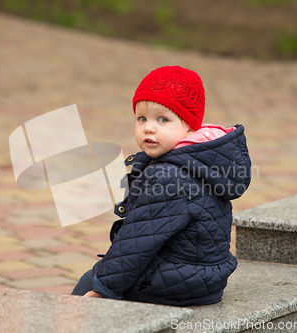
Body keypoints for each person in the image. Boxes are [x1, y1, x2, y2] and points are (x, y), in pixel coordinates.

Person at [71, 66, 252, 306]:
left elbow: (137, 241)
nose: (148, 127)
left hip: (176, 284)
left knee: (89, 282)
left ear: (188, 125)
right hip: (207, 277)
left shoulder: (168, 175)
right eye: (141, 118)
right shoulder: (203, 159)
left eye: (163, 119)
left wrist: (103, 288)